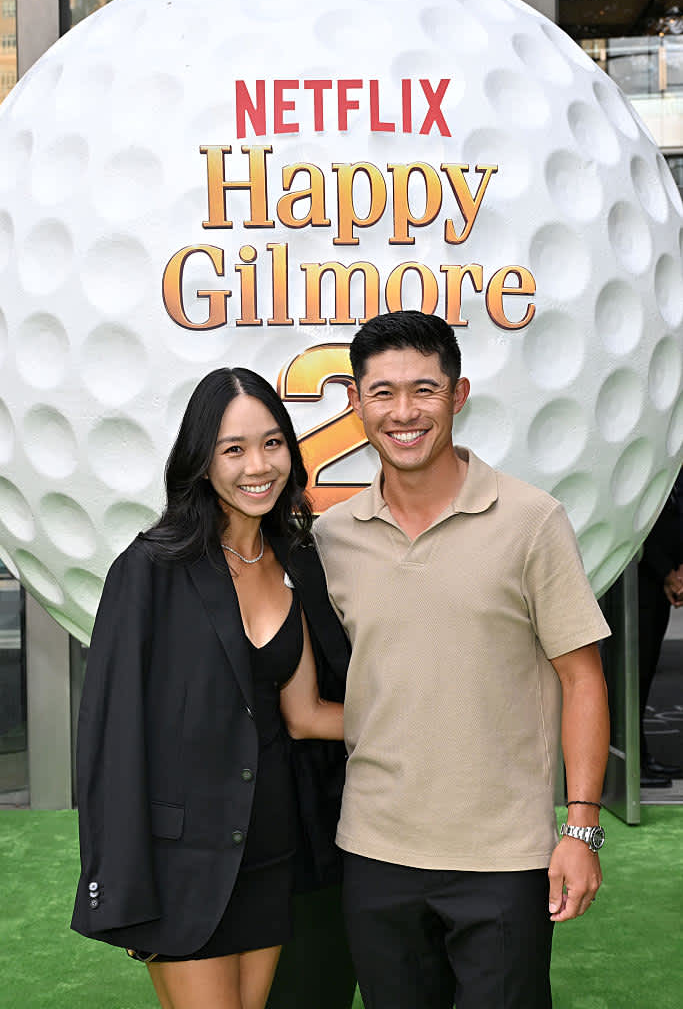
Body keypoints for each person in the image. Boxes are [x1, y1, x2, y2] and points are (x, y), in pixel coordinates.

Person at [313, 311, 612, 1009]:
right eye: (382, 392)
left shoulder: (531, 521)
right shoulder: (332, 537)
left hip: (502, 857)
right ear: (355, 403)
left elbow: (582, 679)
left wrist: (581, 829)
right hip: (374, 849)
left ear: (459, 394)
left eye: (424, 389)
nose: (403, 412)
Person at [71, 367, 352, 1009]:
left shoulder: (295, 559)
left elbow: (305, 714)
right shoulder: (149, 569)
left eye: (272, 443)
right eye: (233, 449)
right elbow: (112, 738)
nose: (258, 465)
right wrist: (124, 888)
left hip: (271, 851)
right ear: (201, 460)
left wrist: (425, 720)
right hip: (181, 865)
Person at [638, 466, 683, 787]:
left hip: (666, 579)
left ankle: (640, 760)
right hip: (639, 583)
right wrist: (667, 571)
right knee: (632, 675)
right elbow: (638, 525)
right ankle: (631, 763)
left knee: (646, 670)